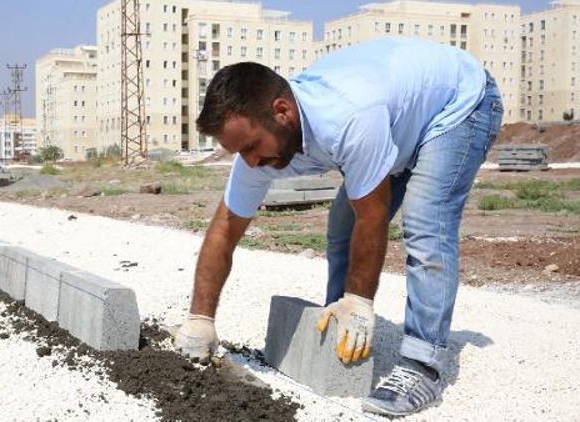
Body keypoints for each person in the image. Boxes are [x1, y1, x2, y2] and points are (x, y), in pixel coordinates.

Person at [173, 37, 503, 417]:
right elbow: (224, 231)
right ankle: (338, 327)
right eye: (239, 153)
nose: (249, 161)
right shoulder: (260, 146)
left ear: (282, 112)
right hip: (396, 120)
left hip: (458, 104)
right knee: (341, 226)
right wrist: (201, 320)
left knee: (426, 223)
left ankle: (421, 365)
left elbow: (374, 215)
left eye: (251, 147)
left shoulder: (347, 117)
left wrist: (361, 302)